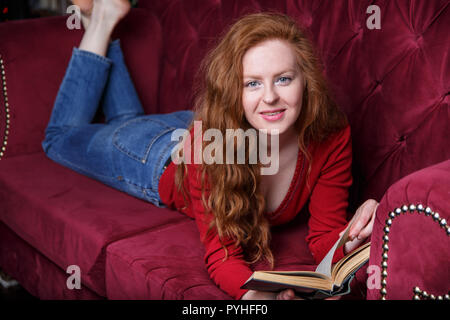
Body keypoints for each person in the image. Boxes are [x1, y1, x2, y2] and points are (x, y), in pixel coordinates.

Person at [42, 0, 379, 300]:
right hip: (157, 156)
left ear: (306, 81)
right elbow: (222, 256)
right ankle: (101, 22)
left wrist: (354, 235)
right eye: (252, 83)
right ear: (234, 91)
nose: (271, 97)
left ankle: (104, 15)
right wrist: (253, 292)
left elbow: (324, 235)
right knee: (59, 138)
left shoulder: (331, 134)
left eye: (284, 79)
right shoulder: (209, 150)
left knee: (125, 119)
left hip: (194, 124)